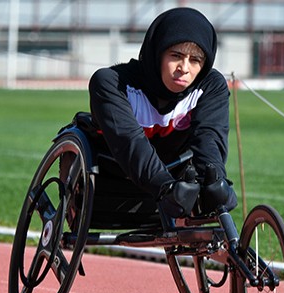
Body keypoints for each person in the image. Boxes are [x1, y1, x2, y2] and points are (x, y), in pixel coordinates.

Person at [88, 7, 236, 218]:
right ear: (157, 53)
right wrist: (165, 187)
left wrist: (215, 179)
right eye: (176, 55)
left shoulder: (210, 86)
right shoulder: (111, 83)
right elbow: (129, 142)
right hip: (112, 168)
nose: (184, 68)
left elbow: (209, 138)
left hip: (176, 175)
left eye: (195, 60)